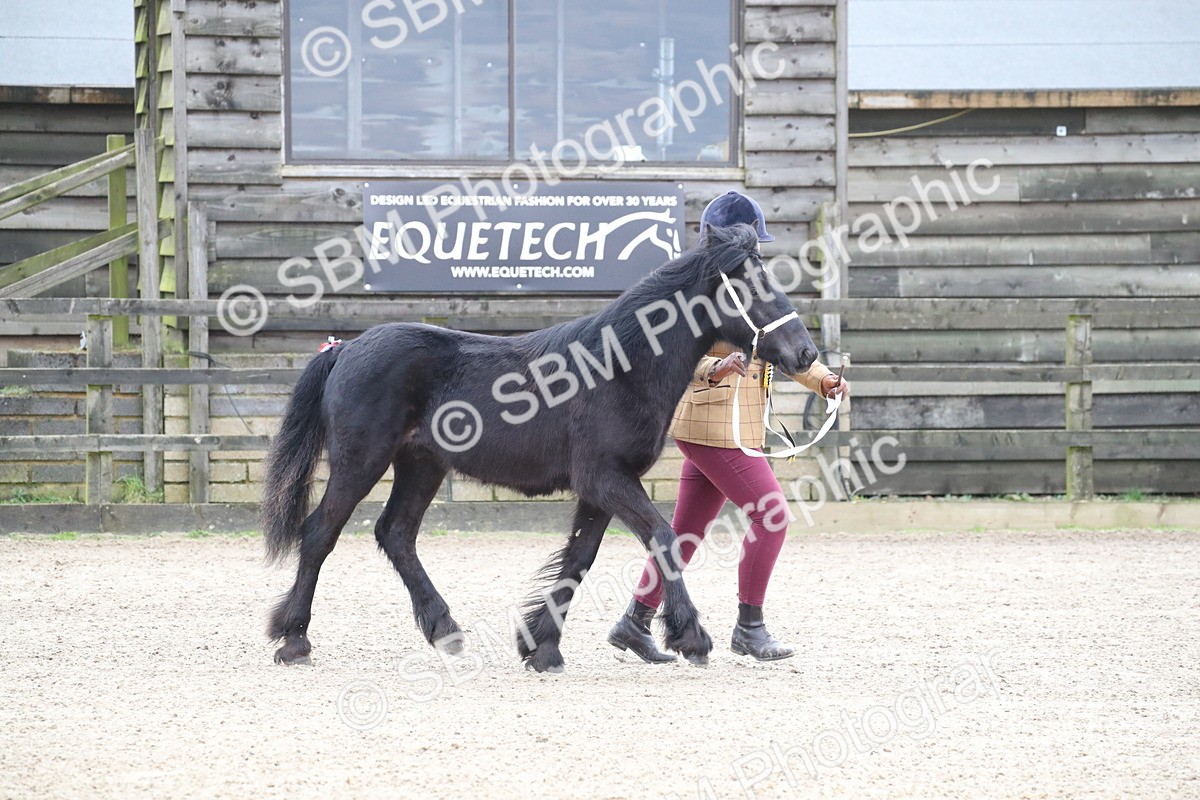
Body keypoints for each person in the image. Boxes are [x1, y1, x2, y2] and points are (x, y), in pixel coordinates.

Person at [607, 190, 849, 665]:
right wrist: (714, 369)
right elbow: (667, 357)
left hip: (733, 428)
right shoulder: (695, 292)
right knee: (772, 516)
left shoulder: (751, 286)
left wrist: (822, 381)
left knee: (685, 532)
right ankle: (749, 627)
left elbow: (780, 342)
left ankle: (635, 621)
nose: (755, 252)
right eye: (749, 244)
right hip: (714, 427)